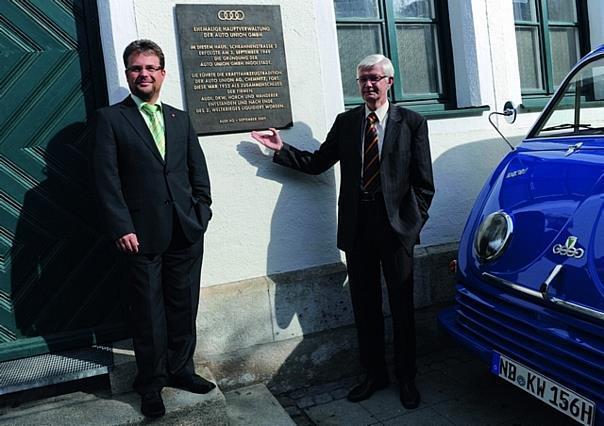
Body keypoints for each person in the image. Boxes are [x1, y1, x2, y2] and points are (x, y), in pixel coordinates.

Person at [251, 54, 434, 409]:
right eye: (363, 79)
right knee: (365, 305)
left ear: (389, 82)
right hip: (358, 227)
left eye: (375, 78)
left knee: (401, 306)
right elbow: (319, 161)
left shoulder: (412, 122)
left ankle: (406, 377)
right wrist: (281, 150)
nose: (369, 85)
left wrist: (412, 224)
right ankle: (374, 374)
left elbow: (424, 183)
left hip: (397, 229)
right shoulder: (348, 122)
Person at [91, 39, 214, 418]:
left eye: (149, 68)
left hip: (184, 229)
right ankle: (151, 383)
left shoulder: (180, 118)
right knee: (148, 313)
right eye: (135, 68)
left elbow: (197, 170)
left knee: (183, 306)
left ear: (162, 73)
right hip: (139, 236)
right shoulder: (111, 119)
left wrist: (202, 210)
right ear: (127, 74)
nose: (143, 74)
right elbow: (105, 180)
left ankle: (181, 370)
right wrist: (120, 227)